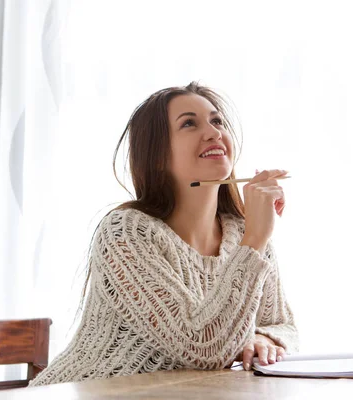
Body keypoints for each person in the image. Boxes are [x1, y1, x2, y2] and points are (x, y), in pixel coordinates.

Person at [29, 81, 299, 386]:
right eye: (189, 124)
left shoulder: (243, 233)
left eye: (217, 120)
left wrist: (263, 338)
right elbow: (203, 347)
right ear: (157, 157)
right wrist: (255, 241)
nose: (213, 132)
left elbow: (283, 326)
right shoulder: (125, 234)